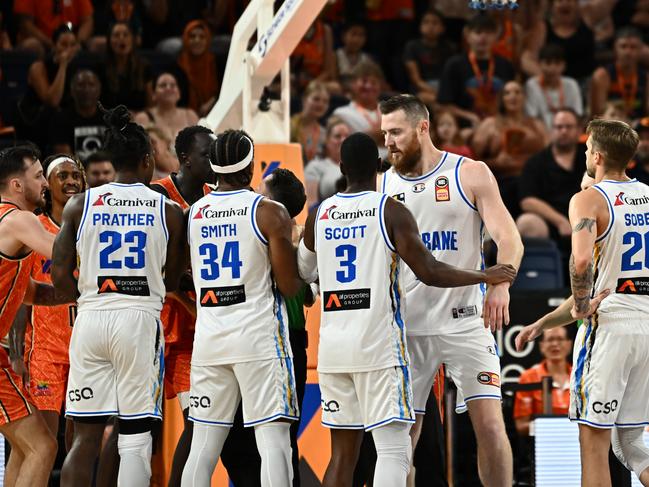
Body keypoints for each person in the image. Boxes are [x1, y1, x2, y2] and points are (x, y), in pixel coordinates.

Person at [298, 132, 516, 487]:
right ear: (379, 167)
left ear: (340, 167)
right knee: (394, 450)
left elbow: (304, 272)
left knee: (342, 455)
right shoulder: (391, 210)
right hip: (379, 345)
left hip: (333, 347)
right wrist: (484, 274)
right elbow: (429, 271)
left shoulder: (319, 213)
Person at [379, 94, 524, 487]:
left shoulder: (470, 173)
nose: (388, 141)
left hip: (465, 321)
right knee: (402, 437)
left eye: (395, 132)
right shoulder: (382, 183)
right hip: (408, 327)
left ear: (422, 127)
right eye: (384, 133)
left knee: (491, 427)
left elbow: (510, 239)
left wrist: (501, 285)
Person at [53, 105, 186, 487]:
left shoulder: (81, 204)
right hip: (139, 320)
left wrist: (82, 298)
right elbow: (174, 279)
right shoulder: (168, 209)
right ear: (147, 161)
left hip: (91, 317)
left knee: (85, 438)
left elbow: (61, 273)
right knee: (134, 437)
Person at [181, 129, 303, 487]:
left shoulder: (193, 213)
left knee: (202, 448)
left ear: (214, 167)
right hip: (258, 341)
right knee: (274, 444)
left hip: (210, 339)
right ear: (249, 167)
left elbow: (181, 275)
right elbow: (288, 285)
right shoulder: (269, 212)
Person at [566, 119, 649, 487]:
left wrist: (582, 304)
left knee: (594, 441)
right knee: (629, 442)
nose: (585, 153)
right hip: (647, 324)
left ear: (596, 155)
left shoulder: (588, 199)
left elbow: (581, 260)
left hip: (612, 325)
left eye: (587, 148)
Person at [148, 125, 214, 487]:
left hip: (193, 333)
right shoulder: (158, 195)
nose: (214, 161)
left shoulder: (214, 198)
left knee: (199, 421)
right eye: (207, 154)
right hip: (156, 324)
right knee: (138, 429)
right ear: (185, 158)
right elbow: (155, 268)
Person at [0, 145, 67, 486]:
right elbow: (63, 252)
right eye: (38, 176)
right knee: (42, 446)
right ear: (16, 185)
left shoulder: (10, 224)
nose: (44, 183)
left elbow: (32, 294)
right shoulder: (19, 219)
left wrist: (79, 294)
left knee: (27, 447)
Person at [10, 154, 83, 442]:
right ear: (47, 185)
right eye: (62, 176)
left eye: (75, 175)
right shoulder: (34, 227)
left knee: (80, 440)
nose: (70, 181)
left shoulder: (92, 225)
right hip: (45, 350)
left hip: (85, 345)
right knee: (45, 440)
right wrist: (17, 352)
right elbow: (19, 289)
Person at [259, 167, 314, 487]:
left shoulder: (269, 231)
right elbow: (308, 294)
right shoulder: (300, 236)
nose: (256, 195)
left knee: (276, 433)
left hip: (278, 340)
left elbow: (301, 292)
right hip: (290, 341)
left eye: (262, 192)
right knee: (283, 434)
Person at [472, 80, 548, 216]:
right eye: (507, 93)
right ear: (502, 98)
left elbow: (550, 155)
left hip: (535, 181)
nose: (513, 96)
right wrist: (496, 162)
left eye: (517, 92)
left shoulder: (537, 125)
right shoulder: (490, 124)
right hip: (502, 181)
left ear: (524, 97)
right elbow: (472, 160)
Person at [516, 109, 586, 243]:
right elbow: (527, 201)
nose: (563, 131)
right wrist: (560, 221)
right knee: (527, 223)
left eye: (569, 127)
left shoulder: (591, 157)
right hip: (551, 223)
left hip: (588, 220)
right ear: (551, 131)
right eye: (559, 127)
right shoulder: (536, 162)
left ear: (578, 130)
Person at [437, 14, 515, 127]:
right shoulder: (454, 65)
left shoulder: (505, 65)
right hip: (465, 126)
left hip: (499, 124)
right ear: (467, 35)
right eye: (478, 32)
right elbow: (443, 105)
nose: (483, 37)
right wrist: (470, 116)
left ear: (496, 36)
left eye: (488, 33)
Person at [513, 327, 572, 436]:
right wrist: (556, 428)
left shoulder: (580, 375)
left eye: (560, 339)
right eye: (550, 339)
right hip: (541, 445)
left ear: (569, 345)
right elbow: (521, 425)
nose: (555, 344)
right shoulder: (528, 377)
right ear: (542, 346)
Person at [590, 26, 648, 120]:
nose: (628, 52)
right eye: (623, 46)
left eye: (633, 47)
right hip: (611, 125)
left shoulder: (646, 77)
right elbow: (597, 114)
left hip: (638, 127)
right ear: (615, 49)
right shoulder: (602, 75)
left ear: (641, 50)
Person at [332, 60, 387, 158]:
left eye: (373, 82)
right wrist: (384, 131)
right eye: (364, 81)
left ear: (380, 86)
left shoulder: (390, 110)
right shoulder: (341, 114)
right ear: (353, 84)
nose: (368, 86)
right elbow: (349, 146)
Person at [403, 9, 457, 108]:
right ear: (420, 26)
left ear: (442, 28)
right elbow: (416, 80)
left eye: (435, 23)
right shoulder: (412, 46)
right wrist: (440, 94)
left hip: (444, 86)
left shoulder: (449, 47)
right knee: (433, 100)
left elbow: (452, 75)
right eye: (426, 22)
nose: (430, 26)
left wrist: (446, 92)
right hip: (422, 88)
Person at [49, 68, 106, 159]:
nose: (86, 89)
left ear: (99, 89)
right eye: (81, 85)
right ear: (72, 90)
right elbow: (65, 158)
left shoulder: (109, 118)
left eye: (91, 85)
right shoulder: (61, 119)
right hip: (76, 171)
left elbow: (116, 155)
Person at [524, 44, 583, 131]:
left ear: (564, 65)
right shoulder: (532, 85)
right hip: (542, 133)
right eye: (548, 63)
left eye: (557, 63)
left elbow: (577, 114)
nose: (552, 68)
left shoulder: (571, 84)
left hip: (566, 130)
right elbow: (531, 117)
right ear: (539, 64)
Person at [100, 22, 153, 112]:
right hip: (110, 121)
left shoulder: (144, 66)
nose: (121, 38)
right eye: (116, 35)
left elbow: (150, 105)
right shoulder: (101, 67)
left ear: (132, 39)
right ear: (109, 41)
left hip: (138, 120)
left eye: (126, 34)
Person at [134, 72, 199, 144]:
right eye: (163, 85)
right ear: (153, 94)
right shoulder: (143, 118)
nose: (168, 88)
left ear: (179, 94)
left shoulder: (190, 116)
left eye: (173, 85)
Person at [304, 117, 350, 210]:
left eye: (346, 136)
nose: (343, 140)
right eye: (337, 136)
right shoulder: (315, 167)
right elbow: (311, 204)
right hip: (329, 218)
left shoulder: (357, 166)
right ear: (327, 140)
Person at [176, 19, 219, 116]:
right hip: (185, 117)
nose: (197, 40)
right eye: (192, 36)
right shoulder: (178, 66)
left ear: (207, 40)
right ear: (186, 39)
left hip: (215, 111)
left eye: (202, 37)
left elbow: (223, 90)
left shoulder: (216, 63)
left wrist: (211, 103)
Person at [290, 81, 329, 164]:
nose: (321, 104)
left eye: (325, 101)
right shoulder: (288, 126)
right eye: (316, 99)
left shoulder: (324, 133)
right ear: (304, 99)